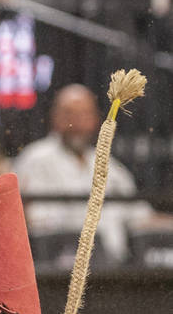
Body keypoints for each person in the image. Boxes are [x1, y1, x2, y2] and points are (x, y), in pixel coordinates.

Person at [12, 84, 154, 264]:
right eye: (69, 114)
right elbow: (29, 223)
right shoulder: (34, 160)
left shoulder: (109, 165)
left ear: (96, 120)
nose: (77, 123)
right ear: (54, 117)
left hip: (115, 273)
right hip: (57, 274)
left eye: (84, 115)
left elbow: (142, 216)